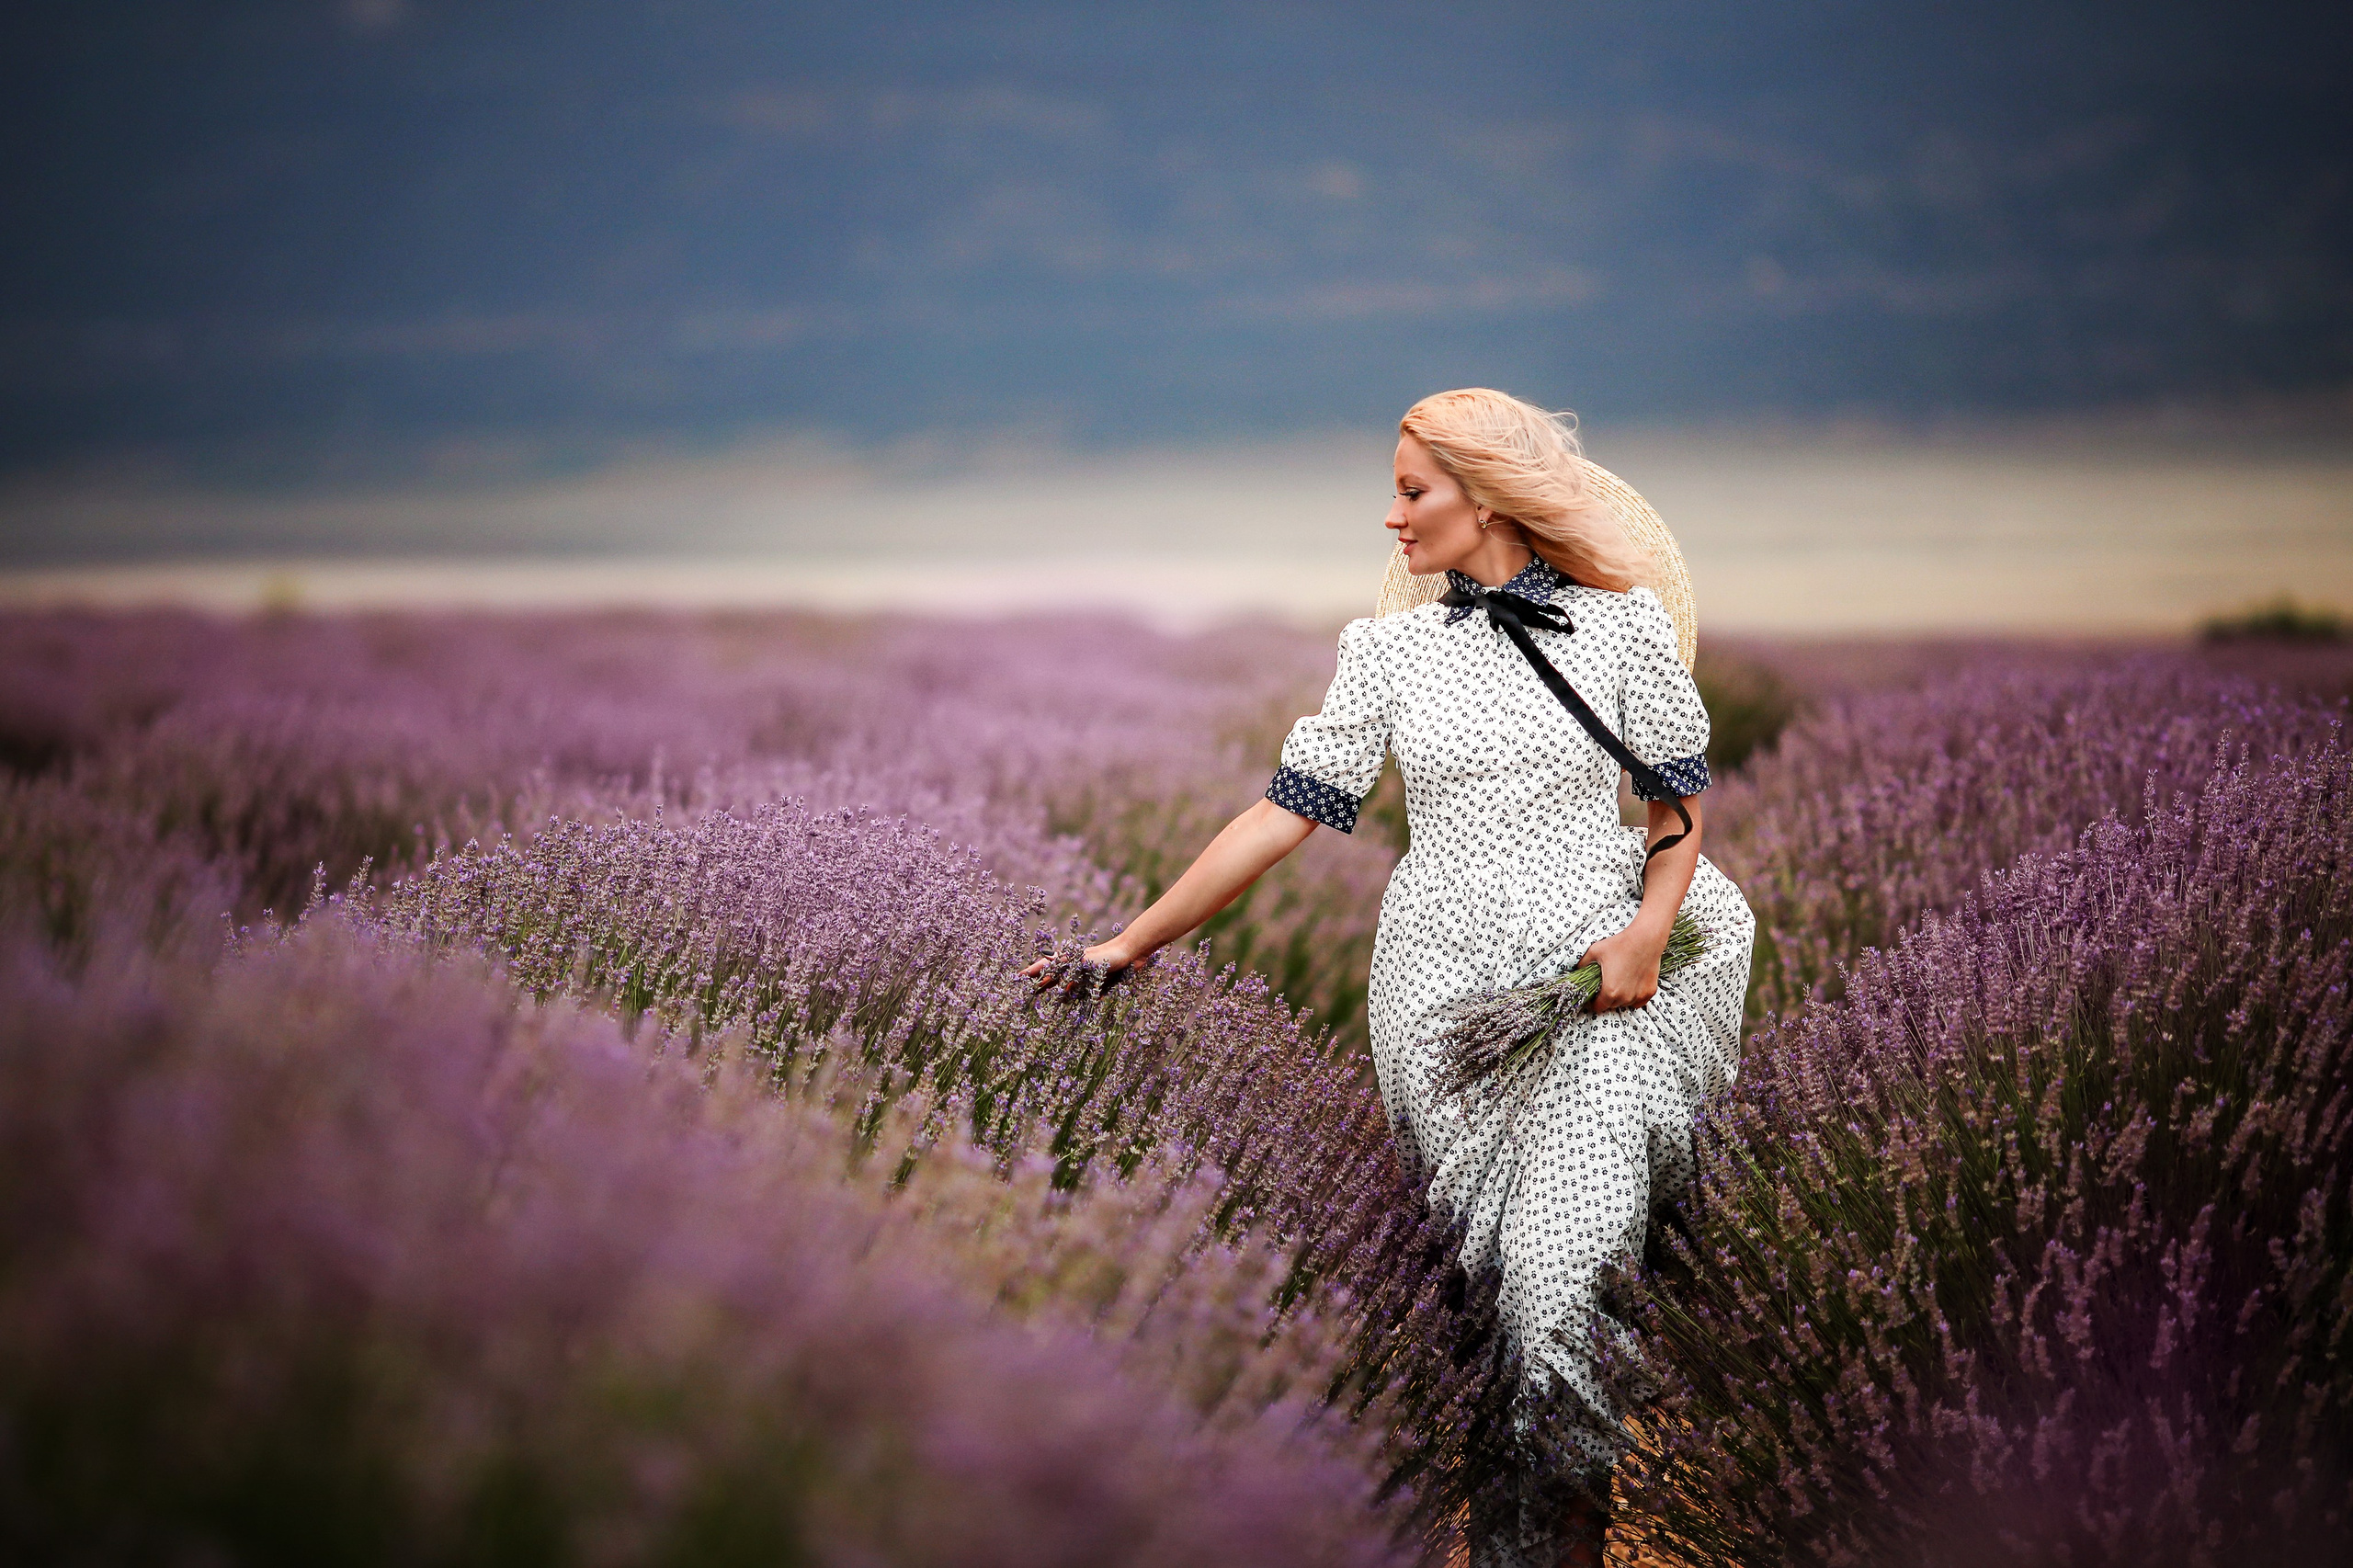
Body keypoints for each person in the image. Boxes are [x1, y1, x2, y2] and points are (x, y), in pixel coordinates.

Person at [1028, 387, 1755, 1568]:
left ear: (1490, 498)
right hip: (1443, 992)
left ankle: (1562, 1544)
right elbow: (1282, 814)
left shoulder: (1622, 631)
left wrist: (1641, 935)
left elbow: (1677, 810)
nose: (1392, 516)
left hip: (1592, 969)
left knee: (1564, 1278)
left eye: (1412, 490)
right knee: (1491, 1295)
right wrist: (1132, 939)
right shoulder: (1387, 649)